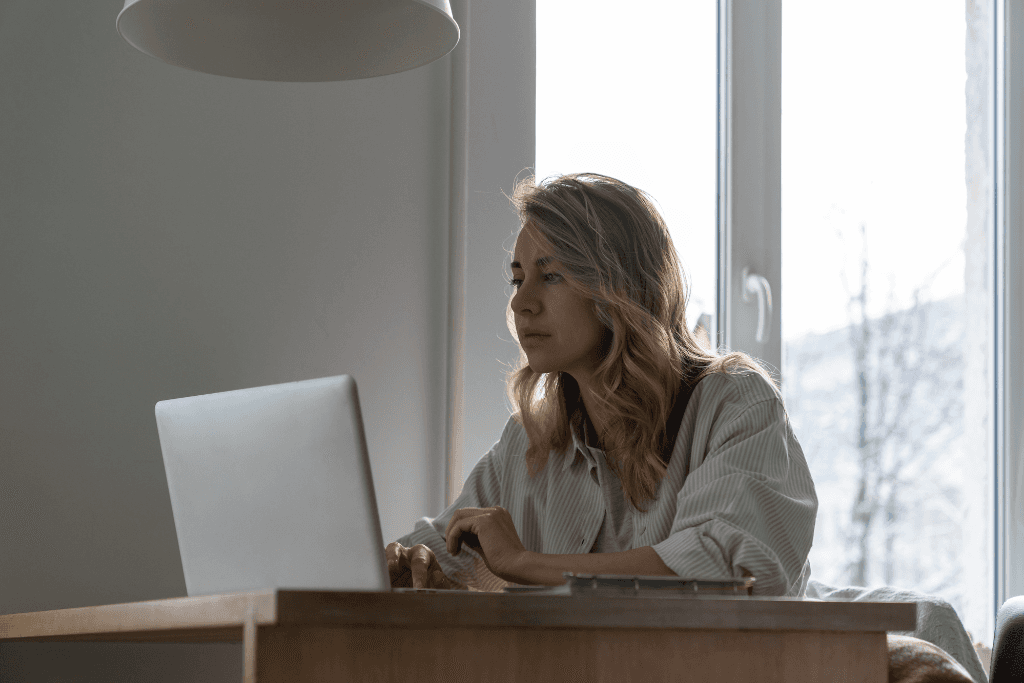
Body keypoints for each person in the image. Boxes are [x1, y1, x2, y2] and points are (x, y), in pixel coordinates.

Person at [386, 173, 817, 594]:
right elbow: (438, 549)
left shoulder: (736, 403)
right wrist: (411, 567)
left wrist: (523, 564)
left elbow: (727, 570)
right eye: (518, 279)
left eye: (550, 275)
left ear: (620, 287)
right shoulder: (528, 441)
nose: (520, 302)